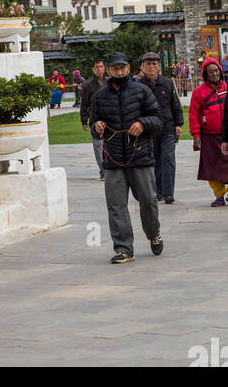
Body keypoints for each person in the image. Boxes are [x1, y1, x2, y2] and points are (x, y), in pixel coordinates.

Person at [89, 51, 163, 263]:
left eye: (123, 67)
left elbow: (158, 120)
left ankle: (153, 233)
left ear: (129, 68)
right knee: (116, 205)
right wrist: (97, 126)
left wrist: (143, 124)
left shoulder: (142, 91)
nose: (119, 71)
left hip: (140, 156)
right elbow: (94, 127)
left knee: (148, 200)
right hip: (113, 159)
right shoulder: (99, 97)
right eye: (115, 68)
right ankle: (123, 248)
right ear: (109, 70)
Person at [139, 51, 183, 204]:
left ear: (158, 65)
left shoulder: (167, 83)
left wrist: (178, 124)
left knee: (168, 158)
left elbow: (175, 105)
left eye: (154, 63)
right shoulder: (139, 86)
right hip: (149, 130)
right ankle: (158, 192)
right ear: (143, 66)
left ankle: (168, 192)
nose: (152, 66)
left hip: (167, 128)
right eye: (148, 64)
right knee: (154, 161)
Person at [189, 56, 228, 205]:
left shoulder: (226, 88)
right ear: (205, 74)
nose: (214, 74)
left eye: (216, 70)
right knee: (212, 168)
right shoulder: (199, 92)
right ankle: (219, 195)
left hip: (226, 136)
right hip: (209, 137)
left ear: (220, 71)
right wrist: (196, 134)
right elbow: (193, 114)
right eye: (210, 72)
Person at [80, 58, 108, 180]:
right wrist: (83, 120)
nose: (99, 69)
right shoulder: (87, 85)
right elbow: (84, 104)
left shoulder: (110, 82)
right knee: (98, 146)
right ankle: (103, 170)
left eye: (101, 66)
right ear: (93, 69)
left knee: (109, 146)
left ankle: (108, 169)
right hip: (94, 119)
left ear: (105, 67)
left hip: (110, 118)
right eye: (97, 67)